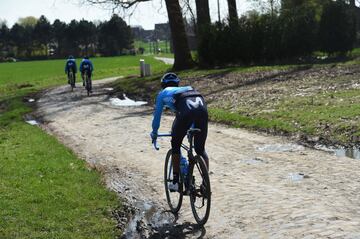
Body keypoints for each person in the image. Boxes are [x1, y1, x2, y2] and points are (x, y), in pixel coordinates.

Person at [150, 72, 209, 192]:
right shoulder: (188, 88)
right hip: (202, 108)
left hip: (186, 112)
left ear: (162, 85)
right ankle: (205, 184)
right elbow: (193, 109)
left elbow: (157, 117)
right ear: (177, 84)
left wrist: (154, 132)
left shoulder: (162, 94)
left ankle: (176, 181)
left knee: (175, 144)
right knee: (200, 149)